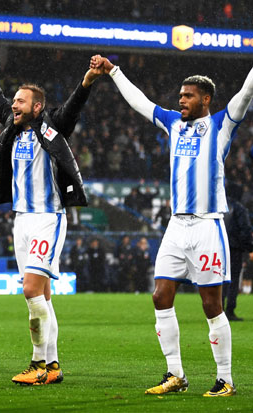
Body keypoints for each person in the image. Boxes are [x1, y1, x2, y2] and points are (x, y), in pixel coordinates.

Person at [93, 55, 253, 397]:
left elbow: (246, 91)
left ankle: (225, 379)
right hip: (176, 227)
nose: (181, 99)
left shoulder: (223, 124)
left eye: (188, 95)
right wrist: (114, 71)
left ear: (205, 99)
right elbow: (140, 103)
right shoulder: (173, 123)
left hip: (208, 226)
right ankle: (175, 374)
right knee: (160, 296)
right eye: (180, 95)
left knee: (212, 304)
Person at [0, 50, 101, 385]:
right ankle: (52, 367)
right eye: (15, 100)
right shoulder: (12, 127)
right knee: (41, 298)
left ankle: (38, 364)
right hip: (21, 220)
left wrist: (87, 81)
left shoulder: (52, 126)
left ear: (36, 107)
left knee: (30, 290)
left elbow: (72, 108)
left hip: (47, 218)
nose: (14, 105)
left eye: (21, 101)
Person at [222, 183, 253, 321]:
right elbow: (245, 230)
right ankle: (230, 310)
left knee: (219, 278)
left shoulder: (218, 209)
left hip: (218, 247)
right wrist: (249, 247)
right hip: (234, 248)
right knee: (233, 279)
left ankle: (218, 309)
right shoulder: (239, 208)